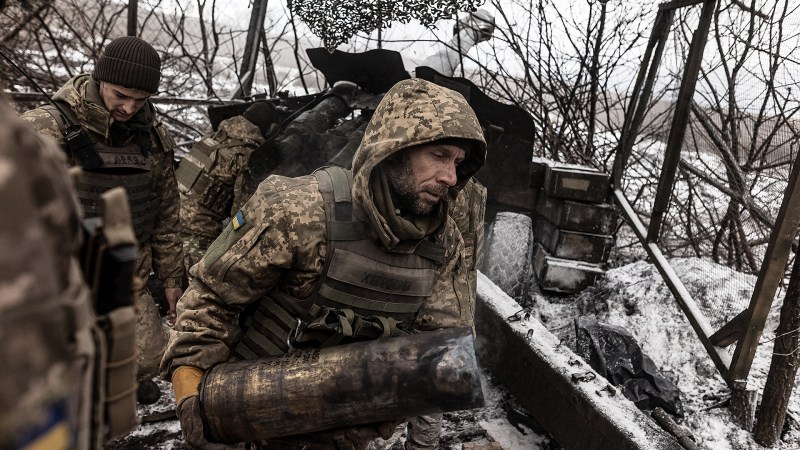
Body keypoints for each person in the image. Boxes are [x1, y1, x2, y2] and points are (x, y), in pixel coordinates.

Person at [161, 77, 486, 450]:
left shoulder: (443, 245)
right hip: (243, 414)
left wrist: (416, 437)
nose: (451, 177)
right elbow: (211, 300)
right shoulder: (298, 208)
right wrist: (191, 392)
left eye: (459, 163)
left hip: (341, 430)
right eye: (440, 155)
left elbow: (440, 354)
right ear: (395, 147)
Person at [20, 36, 185, 403]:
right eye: (120, 95)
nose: (129, 108)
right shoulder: (45, 128)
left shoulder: (154, 138)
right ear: (100, 79)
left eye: (140, 100)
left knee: (149, 360)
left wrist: (173, 278)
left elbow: (166, 213)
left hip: (126, 275)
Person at [177, 101, 276, 272]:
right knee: (202, 290)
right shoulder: (247, 154)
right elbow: (242, 213)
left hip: (171, 224)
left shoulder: (211, 138)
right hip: (199, 236)